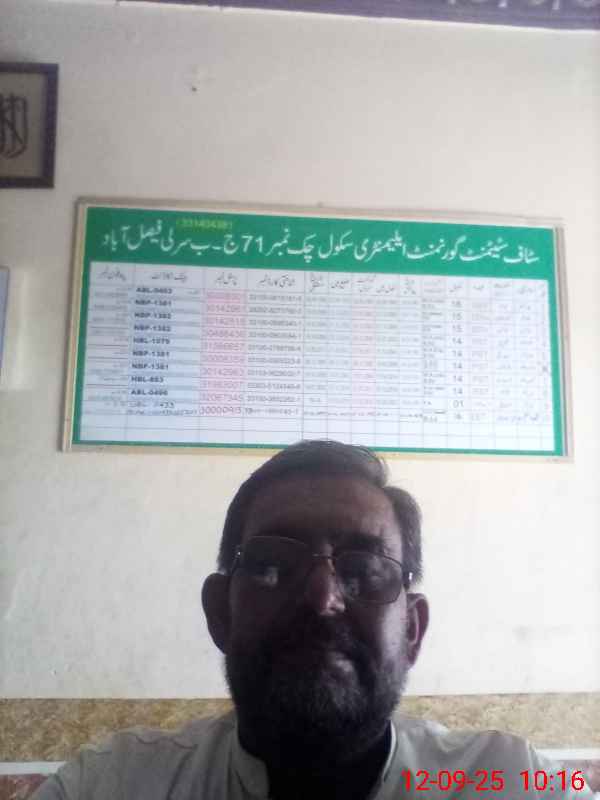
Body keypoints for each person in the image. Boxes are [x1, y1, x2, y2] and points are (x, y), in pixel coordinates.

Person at [33, 440, 593, 800]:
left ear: (412, 629)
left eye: (365, 570)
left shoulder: (512, 782)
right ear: (220, 613)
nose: (322, 599)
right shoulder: (111, 784)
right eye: (272, 566)